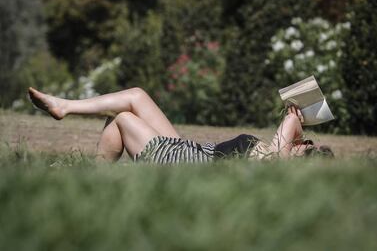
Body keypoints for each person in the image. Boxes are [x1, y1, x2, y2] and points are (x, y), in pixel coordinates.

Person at [28, 87, 333, 163]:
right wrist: (300, 136)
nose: (305, 142)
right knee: (135, 95)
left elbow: (287, 134)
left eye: (308, 148)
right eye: (309, 142)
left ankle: (94, 179)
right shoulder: (272, 154)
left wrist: (295, 118)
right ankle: (64, 105)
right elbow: (287, 142)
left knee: (122, 118)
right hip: (188, 149)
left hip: (177, 160)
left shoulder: (273, 162)